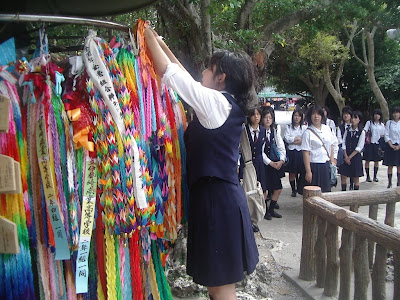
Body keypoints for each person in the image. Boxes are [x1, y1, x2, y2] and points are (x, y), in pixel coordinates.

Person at [144, 26, 258, 299]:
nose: (202, 73)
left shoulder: (215, 103)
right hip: (216, 198)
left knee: (221, 287)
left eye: (209, 68)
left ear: (221, 77)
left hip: (216, 201)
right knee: (216, 284)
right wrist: (161, 43)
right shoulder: (220, 102)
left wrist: (146, 36)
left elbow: (172, 75)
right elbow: (183, 74)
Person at [302, 105, 338, 193]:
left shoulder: (327, 129)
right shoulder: (307, 132)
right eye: (313, 114)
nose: (316, 116)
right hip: (314, 165)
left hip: (325, 165)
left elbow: (331, 145)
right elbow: (305, 152)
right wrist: (308, 171)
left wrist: (332, 160)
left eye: (318, 114)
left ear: (322, 116)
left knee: (325, 192)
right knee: (313, 193)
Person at [242, 106, 266, 232]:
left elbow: (263, 150)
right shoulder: (244, 131)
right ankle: (249, 219)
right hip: (247, 164)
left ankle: (257, 216)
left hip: (259, 164)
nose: (256, 117)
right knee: (248, 192)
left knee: (260, 191)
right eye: (253, 114)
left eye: (258, 114)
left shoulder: (263, 130)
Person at [261, 106, 285, 220]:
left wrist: (281, 160)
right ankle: (265, 210)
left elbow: (281, 147)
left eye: (270, 118)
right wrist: (270, 163)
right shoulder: (260, 132)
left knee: (278, 188)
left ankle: (271, 209)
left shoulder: (274, 132)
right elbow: (260, 151)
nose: (267, 120)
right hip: (264, 165)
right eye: (265, 117)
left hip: (275, 165)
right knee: (264, 189)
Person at [338, 111, 365, 191]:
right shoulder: (347, 130)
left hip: (355, 157)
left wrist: (349, 157)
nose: (353, 120)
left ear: (359, 120)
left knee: (356, 178)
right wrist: (346, 156)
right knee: (343, 176)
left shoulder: (361, 132)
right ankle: (343, 193)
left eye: (355, 118)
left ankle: (355, 196)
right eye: (352, 118)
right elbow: (344, 142)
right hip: (346, 155)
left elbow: (359, 147)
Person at [284, 108, 307, 197]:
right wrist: (295, 139)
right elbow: (287, 138)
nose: (297, 118)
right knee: (292, 172)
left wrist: (295, 140)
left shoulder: (304, 127)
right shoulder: (288, 127)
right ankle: (293, 190)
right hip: (291, 151)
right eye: (295, 115)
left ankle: (299, 187)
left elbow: (305, 139)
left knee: (301, 171)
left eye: (299, 116)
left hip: (300, 151)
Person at [363, 109, 385, 182]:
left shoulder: (381, 125)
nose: (376, 116)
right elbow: (364, 131)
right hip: (369, 144)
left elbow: (383, 135)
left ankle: (375, 176)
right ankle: (368, 176)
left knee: (376, 161)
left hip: (377, 144)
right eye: (375, 114)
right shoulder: (369, 123)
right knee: (367, 160)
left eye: (378, 114)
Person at [383, 106, 400, 188]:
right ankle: (389, 182)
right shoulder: (389, 123)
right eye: (394, 113)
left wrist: (398, 146)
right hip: (390, 146)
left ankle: (398, 182)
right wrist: (391, 145)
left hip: (399, 146)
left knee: (399, 165)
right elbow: (386, 135)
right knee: (390, 165)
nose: (395, 114)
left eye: (397, 112)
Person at [337, 106, 354, 189]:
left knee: (353, 172)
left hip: (353, 152)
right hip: (343, 152)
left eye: (347, 114)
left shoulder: (355, 127)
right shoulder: (340, 128)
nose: (346, 116)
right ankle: (343, 189)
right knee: (343, 173)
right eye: (344, 114)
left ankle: (352, 185)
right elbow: (339, 140)